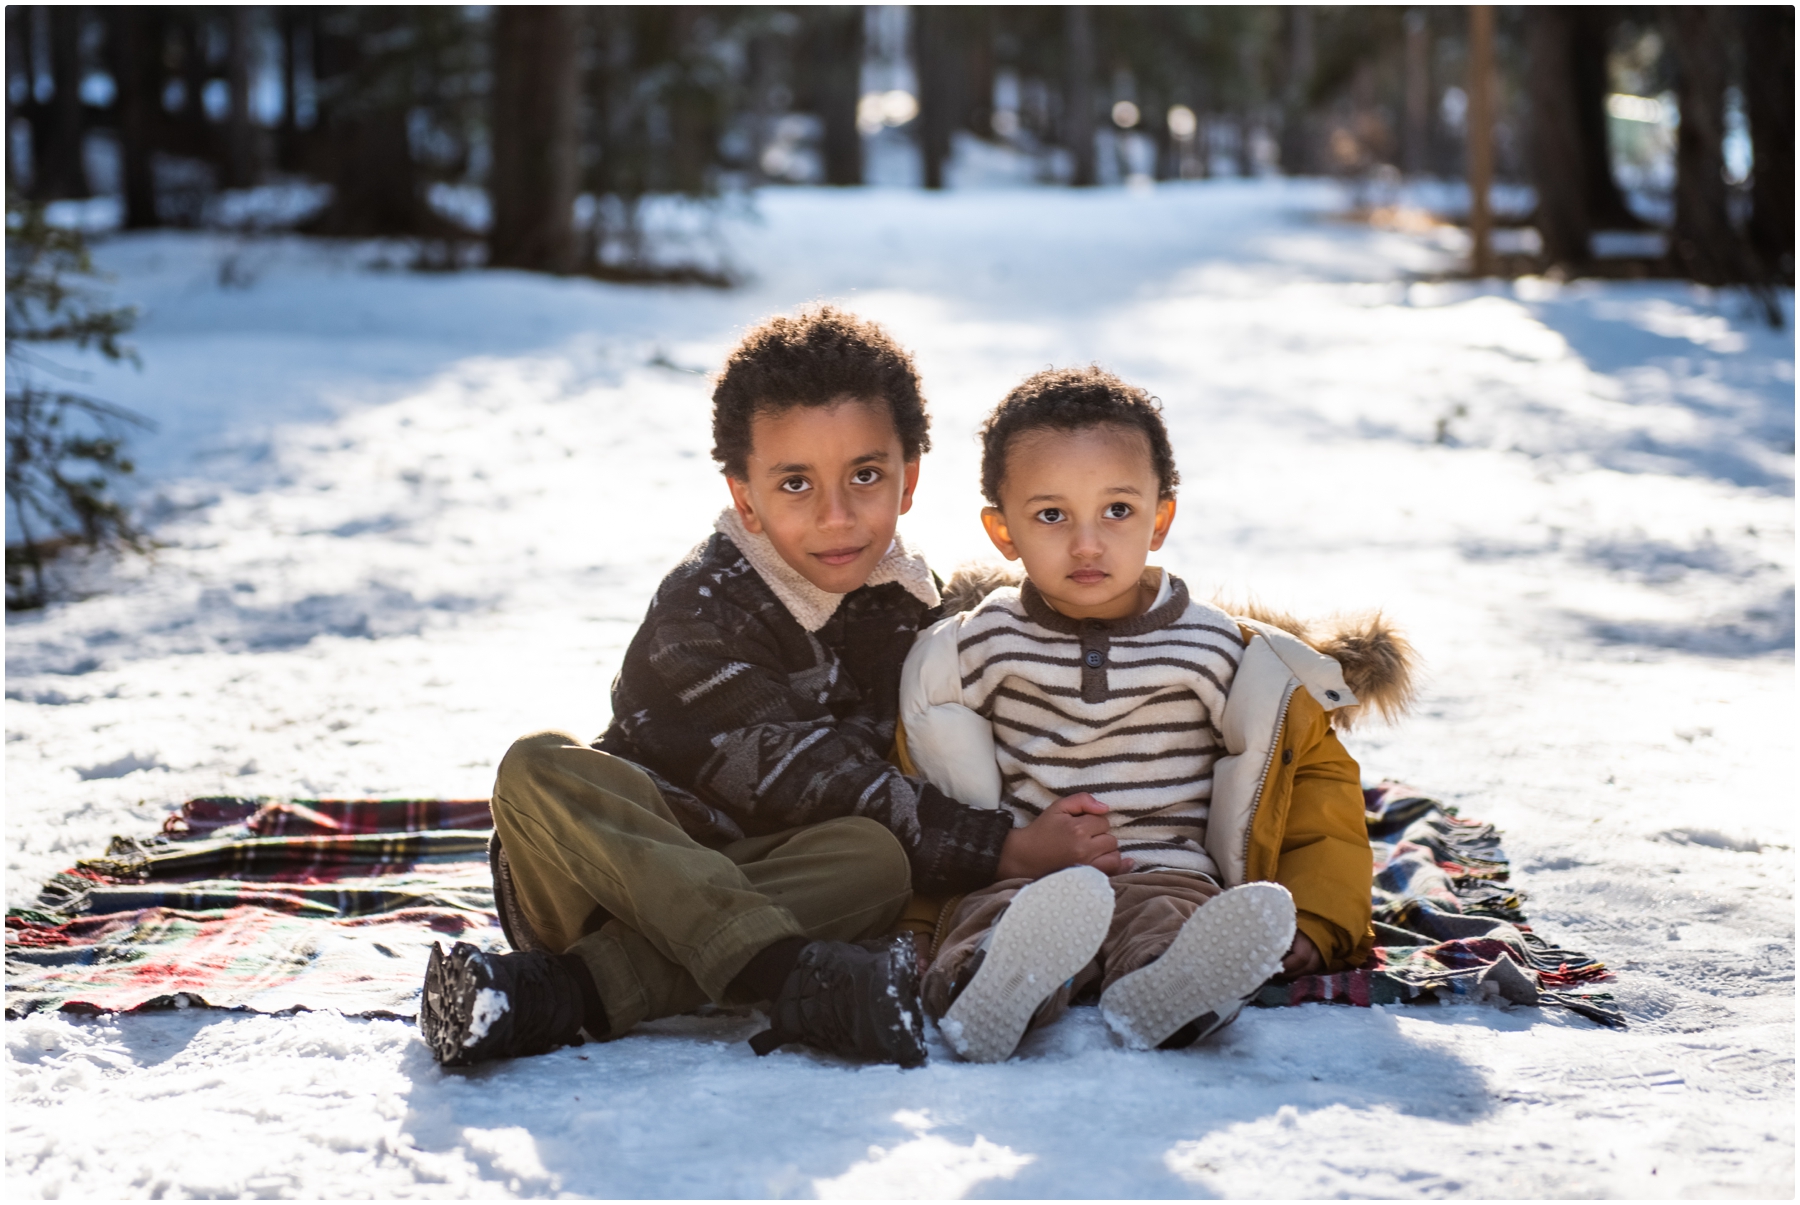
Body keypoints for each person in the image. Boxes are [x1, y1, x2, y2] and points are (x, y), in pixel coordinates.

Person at [418, 309, 1129, 1069]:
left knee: (875, 859)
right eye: (796, 483)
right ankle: (792, 977)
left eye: (866, 475)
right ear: (746, 496)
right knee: (537, 767)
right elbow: (811, 777)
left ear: (909, 478)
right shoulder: (702, 608)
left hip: (774, 882)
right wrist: (1005, 848)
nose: (837, 515)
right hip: (610, 879)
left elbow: (1018, 627)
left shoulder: (908, 603)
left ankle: (560, 994)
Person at [896, 366, 1415, 1062]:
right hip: (1023, 875)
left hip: (1167, 867)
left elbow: (1314, 788)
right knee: (992, 923)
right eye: (1051, 515)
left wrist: (1318, 917)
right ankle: (992, 989)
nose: (1087, 543)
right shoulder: (975, 646)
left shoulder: (1217, 648)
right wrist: (923, 925)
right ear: (1003, 531)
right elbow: (929, 787)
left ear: (1160, 518)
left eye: (1117, 510)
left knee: (1174, 924)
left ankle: (1173, 989)